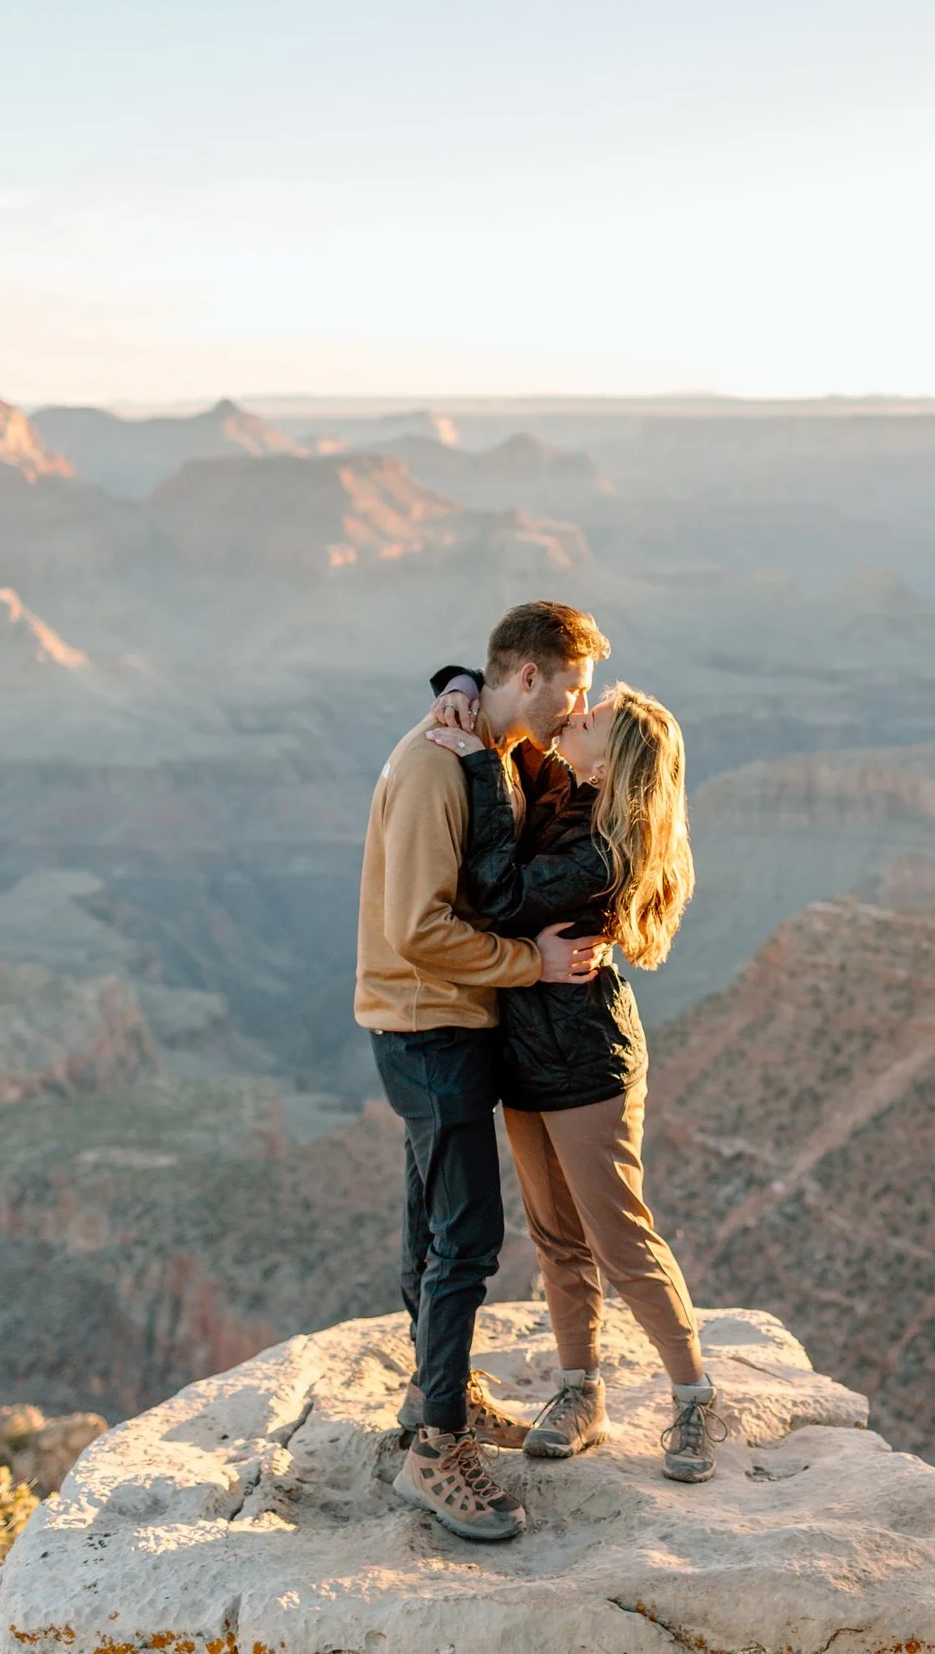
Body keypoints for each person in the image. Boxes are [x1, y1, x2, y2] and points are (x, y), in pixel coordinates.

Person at [425, 670, 725, 1483]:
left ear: (613, 755)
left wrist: (482, 769)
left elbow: (495, 892)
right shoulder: (564, 785)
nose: (572, 715)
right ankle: (580, 1390)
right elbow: (519, 711)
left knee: (619, 1238)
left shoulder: (602, 849)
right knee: (555, 1238)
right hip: (523, 1054)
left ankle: (696, 1398)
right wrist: (460, 684)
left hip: (587, 1063)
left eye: (590, 714)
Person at [355, 600, 610, 1542]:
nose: (573, 710)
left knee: (431, 1222)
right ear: (532, 677)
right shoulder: (435, 766)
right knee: (466, 1237)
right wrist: (528, 964)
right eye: (570, 689)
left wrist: (458, 684)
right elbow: (413, 926)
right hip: (430, 1027)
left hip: (438, 1022)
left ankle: (437, 1391)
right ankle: (438, 1451)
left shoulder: (477, 742)